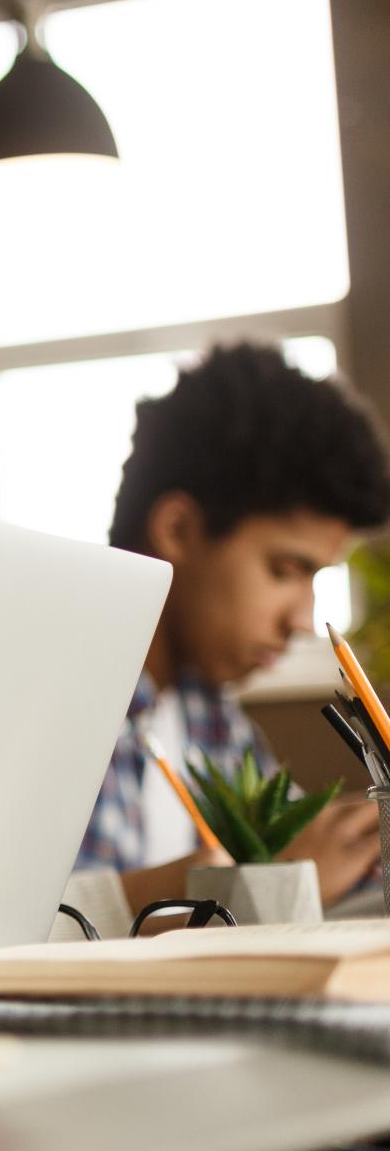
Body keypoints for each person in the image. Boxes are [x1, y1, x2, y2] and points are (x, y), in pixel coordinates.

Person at [83, 343, 390, 910]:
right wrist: (268, 883)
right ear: (179, 530)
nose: (300, 621)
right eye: (285, 570)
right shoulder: (70, 705)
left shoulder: (213, 719)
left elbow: (308, 857)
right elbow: (44, 930)